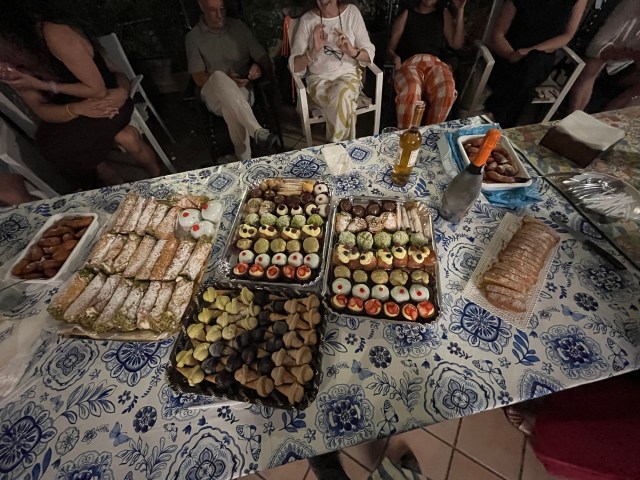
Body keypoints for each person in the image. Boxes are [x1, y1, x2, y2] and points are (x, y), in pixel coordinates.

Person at [0, 2, 162, 190]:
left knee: (70, 148)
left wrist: (41, 84)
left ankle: (154, 179)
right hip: (75, 110)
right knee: (48, 143)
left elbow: (101, 87)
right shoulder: (15, 61)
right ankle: (111, 184)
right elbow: (41, 109)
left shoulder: (54, 33)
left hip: (107, 99)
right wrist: (76, 109)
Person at [185, 0, 281, 161]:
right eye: (213, 10)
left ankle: (244, 158)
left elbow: (262, 58)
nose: (220, 15)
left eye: (222, 9)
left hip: (242, 89)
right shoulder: (193, 37)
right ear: (202, 7)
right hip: (213, 92)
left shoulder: (239, 27)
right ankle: (257, 131)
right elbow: (198, 77)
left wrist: (258, 67)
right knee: (218, 76)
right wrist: (227, 80)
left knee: (230, 108)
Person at [485, 0, 587, 128]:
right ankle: (504, 125)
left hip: (542, 55)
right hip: (510, 53)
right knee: (525, 73)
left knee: (532, 64)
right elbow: (498, 35)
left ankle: (495, 114)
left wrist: (531, 51)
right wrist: (511, 55)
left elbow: (567, 35)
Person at [289, 0, 375, 142]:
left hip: (348, 77)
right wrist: (313, 51)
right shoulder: (307, 20)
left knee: (342, 94)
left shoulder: (351, 12)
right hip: (319, 82)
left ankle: (335, 146)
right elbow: (294, 66)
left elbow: (369, 53)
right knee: (342, 99)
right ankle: (342, 148)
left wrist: (352, 51)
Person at [387, 0, 466, 128]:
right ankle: (407, 133)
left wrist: (460, 10)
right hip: (411, 63)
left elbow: (456, 44)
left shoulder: (443, 13)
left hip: (435, 63)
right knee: (412, 89)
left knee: (447, 89)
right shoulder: (407, 13)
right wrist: (394, 57)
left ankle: (430, 132)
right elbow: (390, 48)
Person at [567, 0, 640, 113]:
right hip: (599, 54)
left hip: (623, 65)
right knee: (592, 66)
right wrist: (624, 54)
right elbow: (595, 49)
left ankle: (605, 117)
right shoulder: (627, 9)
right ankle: (574, 114)